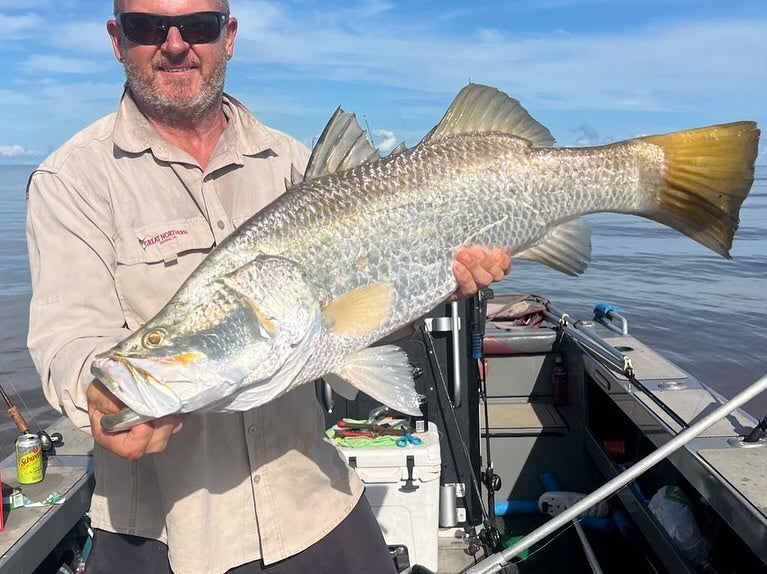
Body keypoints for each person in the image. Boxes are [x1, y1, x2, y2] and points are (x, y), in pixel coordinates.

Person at [25, 1, 511, 573]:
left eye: (199, 25)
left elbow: (361, 319)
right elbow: (68, 335)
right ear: (116, 39)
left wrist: (436, 284)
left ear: (228, 35)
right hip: (167, 533)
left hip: (314, 498)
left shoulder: (294, 162)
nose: (175, 44)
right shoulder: (71, 179)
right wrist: (98, 392)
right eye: (148, 27)